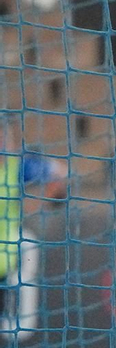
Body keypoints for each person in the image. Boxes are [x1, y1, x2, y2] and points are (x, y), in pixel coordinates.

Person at [0, 116, 66, 328]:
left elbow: (60, 171)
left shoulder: (18, 167)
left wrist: (41, 201)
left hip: (3, 259)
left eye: (5, 138)